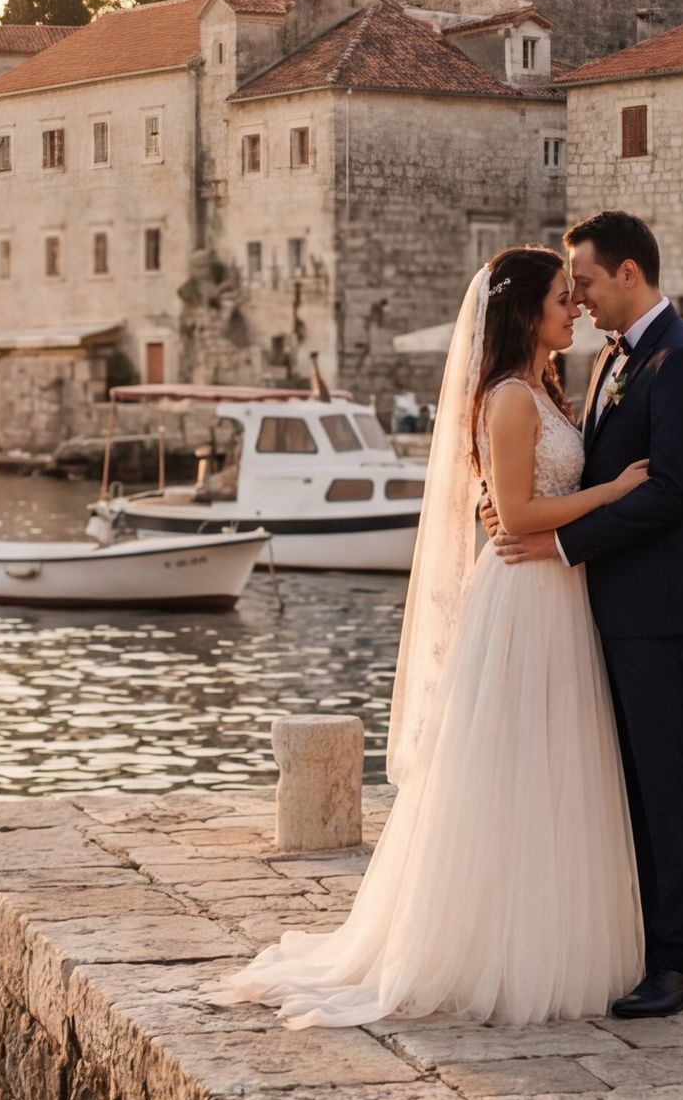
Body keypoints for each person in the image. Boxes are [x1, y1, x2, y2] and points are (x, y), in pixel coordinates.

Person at [218, 248, 647, 1027]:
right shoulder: (509, 397)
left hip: (558, 588)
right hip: (524, 593)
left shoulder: (545, 389)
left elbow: (511, 498)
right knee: (511, 766)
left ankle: (548, 936)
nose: (574, 309)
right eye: (561, 297)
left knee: (555, 764)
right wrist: (611, 493)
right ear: (525, 312)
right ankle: (494, 948)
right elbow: (516, 514)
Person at [493, 211, 683, 1018]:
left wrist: (561, 545)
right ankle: (643, 946)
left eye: (587, 281)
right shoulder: (609, 361)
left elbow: (670, 492)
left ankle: (681, 962)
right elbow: (577, 472)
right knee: (625, 784)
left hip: (661, 610)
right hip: (606, 608)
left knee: (667, 782)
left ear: (630, 272)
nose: (580, 298)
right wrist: (512, 510)